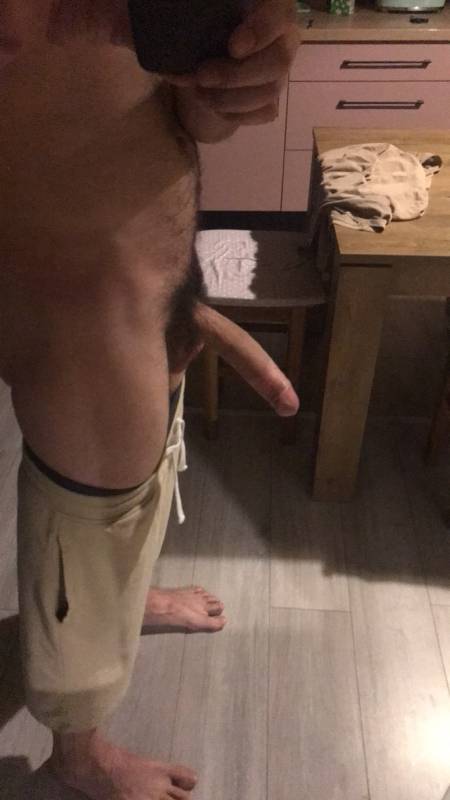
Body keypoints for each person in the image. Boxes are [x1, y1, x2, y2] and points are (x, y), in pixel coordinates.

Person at [0, 2, 301, 797]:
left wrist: (220, 84)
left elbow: (165, 108)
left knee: (142, 483)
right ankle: (78, 753)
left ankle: (126, 599)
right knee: (91, 530)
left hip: (149, 280)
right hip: (72, 297)